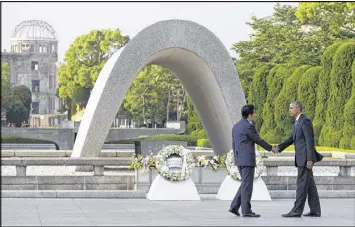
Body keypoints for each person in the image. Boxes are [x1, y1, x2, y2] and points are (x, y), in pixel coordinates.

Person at [276, 101, 323, 217]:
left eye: (291, 108)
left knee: (301, 185)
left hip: (305, 159)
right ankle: (315, 210)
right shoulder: (297, 122)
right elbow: (291, 138)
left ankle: (297, 210)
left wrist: (309, 159)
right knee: (310, 185)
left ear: (298, 109)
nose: (289, 110)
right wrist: (279, 148)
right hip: (301, 158)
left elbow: (309, 141)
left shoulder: (305, 121)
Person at [229, 104, 277, 218]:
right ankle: (246, 211)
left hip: (239, 159)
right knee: (247, 185)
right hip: (247, 160)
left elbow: (234, 144)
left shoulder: (235, 126)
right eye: (253, 113)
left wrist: (236, 159)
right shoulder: (249, 127)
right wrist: (271, 148)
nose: (254, 115)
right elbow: (258, 140)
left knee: (245, 184)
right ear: (250, 114)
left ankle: (234, 206)